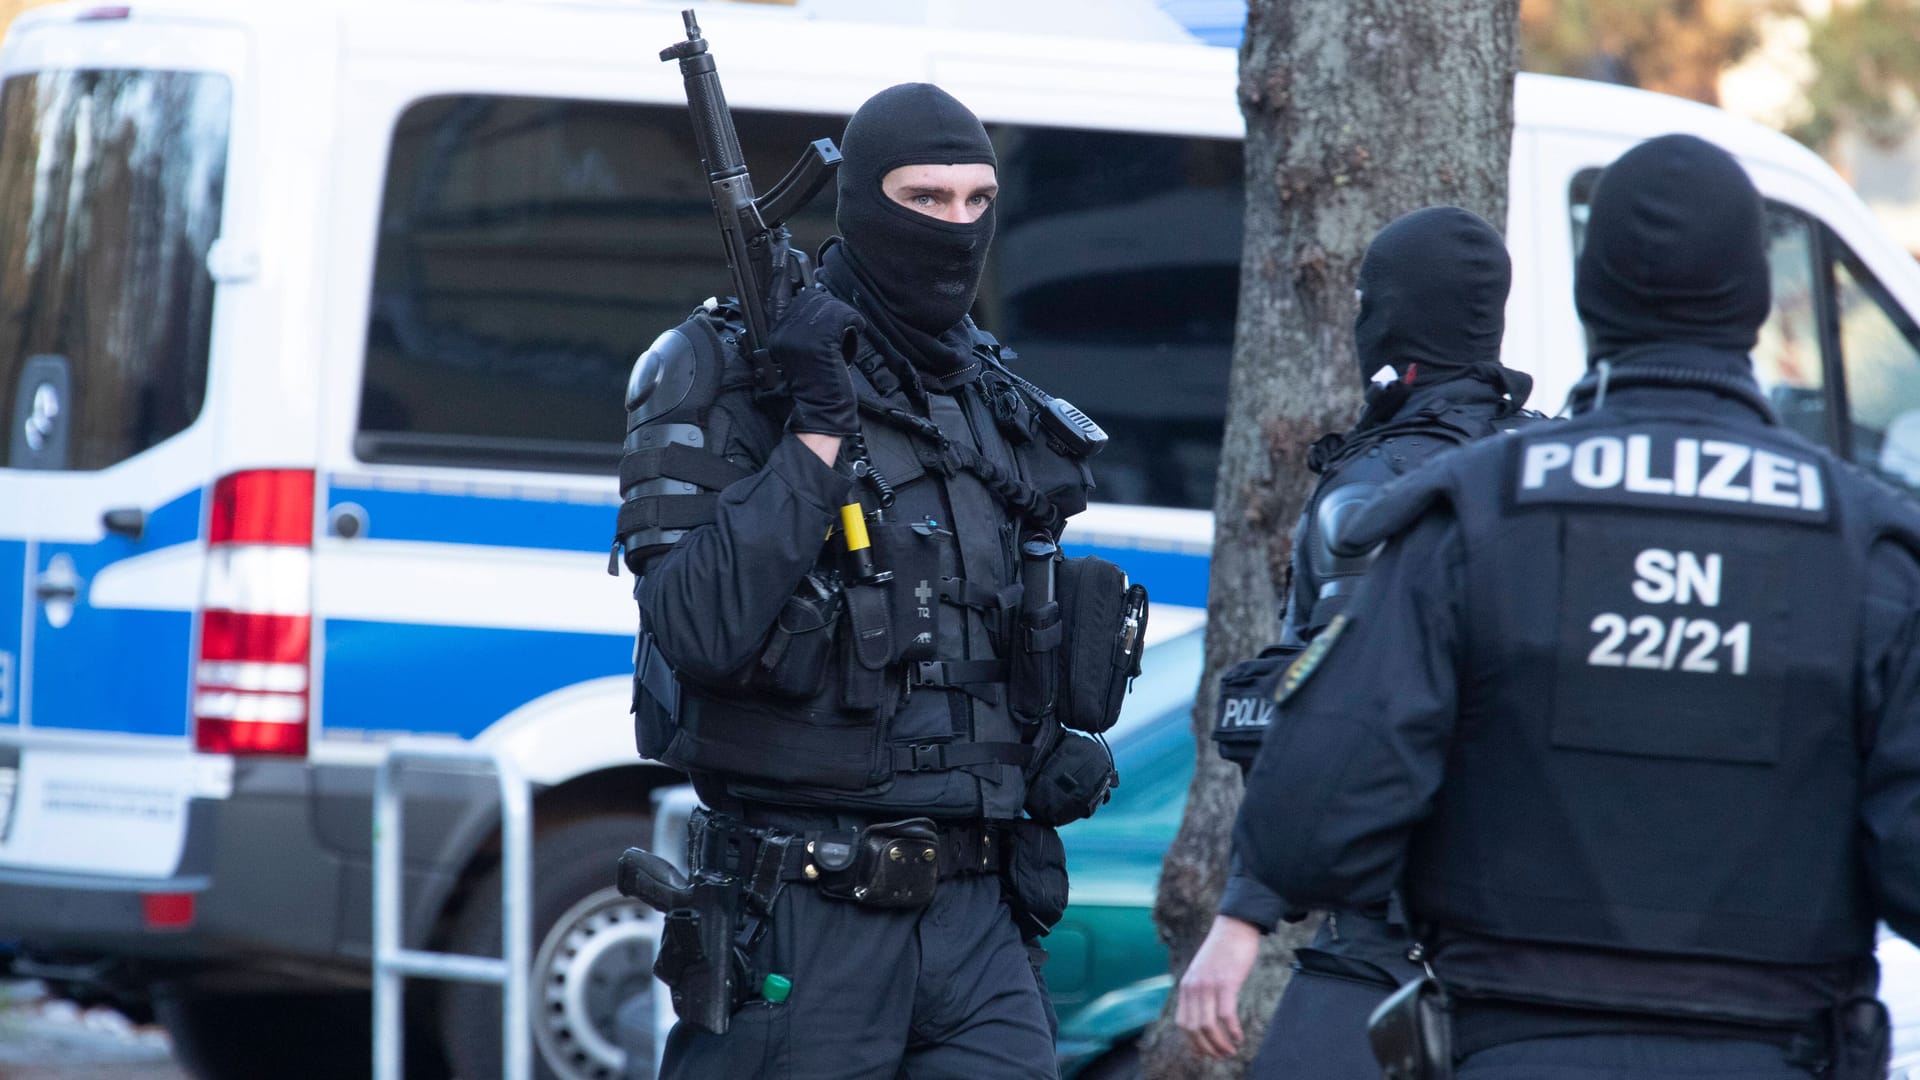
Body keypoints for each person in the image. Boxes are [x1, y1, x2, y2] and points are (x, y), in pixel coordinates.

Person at [1234, 132, 1920, 1079]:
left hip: (1514, 1046)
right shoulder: (1870, 548)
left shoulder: (1467, 519)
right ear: (1756, 305)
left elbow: (1305, 832)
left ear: (1590, 299)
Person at [617, 83, 1138, 1080]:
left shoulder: (990, 394)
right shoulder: (723, 371)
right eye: (925, 199)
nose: (955, 228)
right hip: (809, 918)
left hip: (983, 920)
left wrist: (1050, 747)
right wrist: (814, 427)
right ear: (859, 202)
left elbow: (992, 628)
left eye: (977, 201)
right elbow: (696, 624)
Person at [1176, 206, 1540, 1073]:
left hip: (1392, 941)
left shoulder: (1373, 492)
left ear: (1388, 315)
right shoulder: (1552, 461)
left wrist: (1242, 915)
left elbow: (1340, 715)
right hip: (1543, 941)